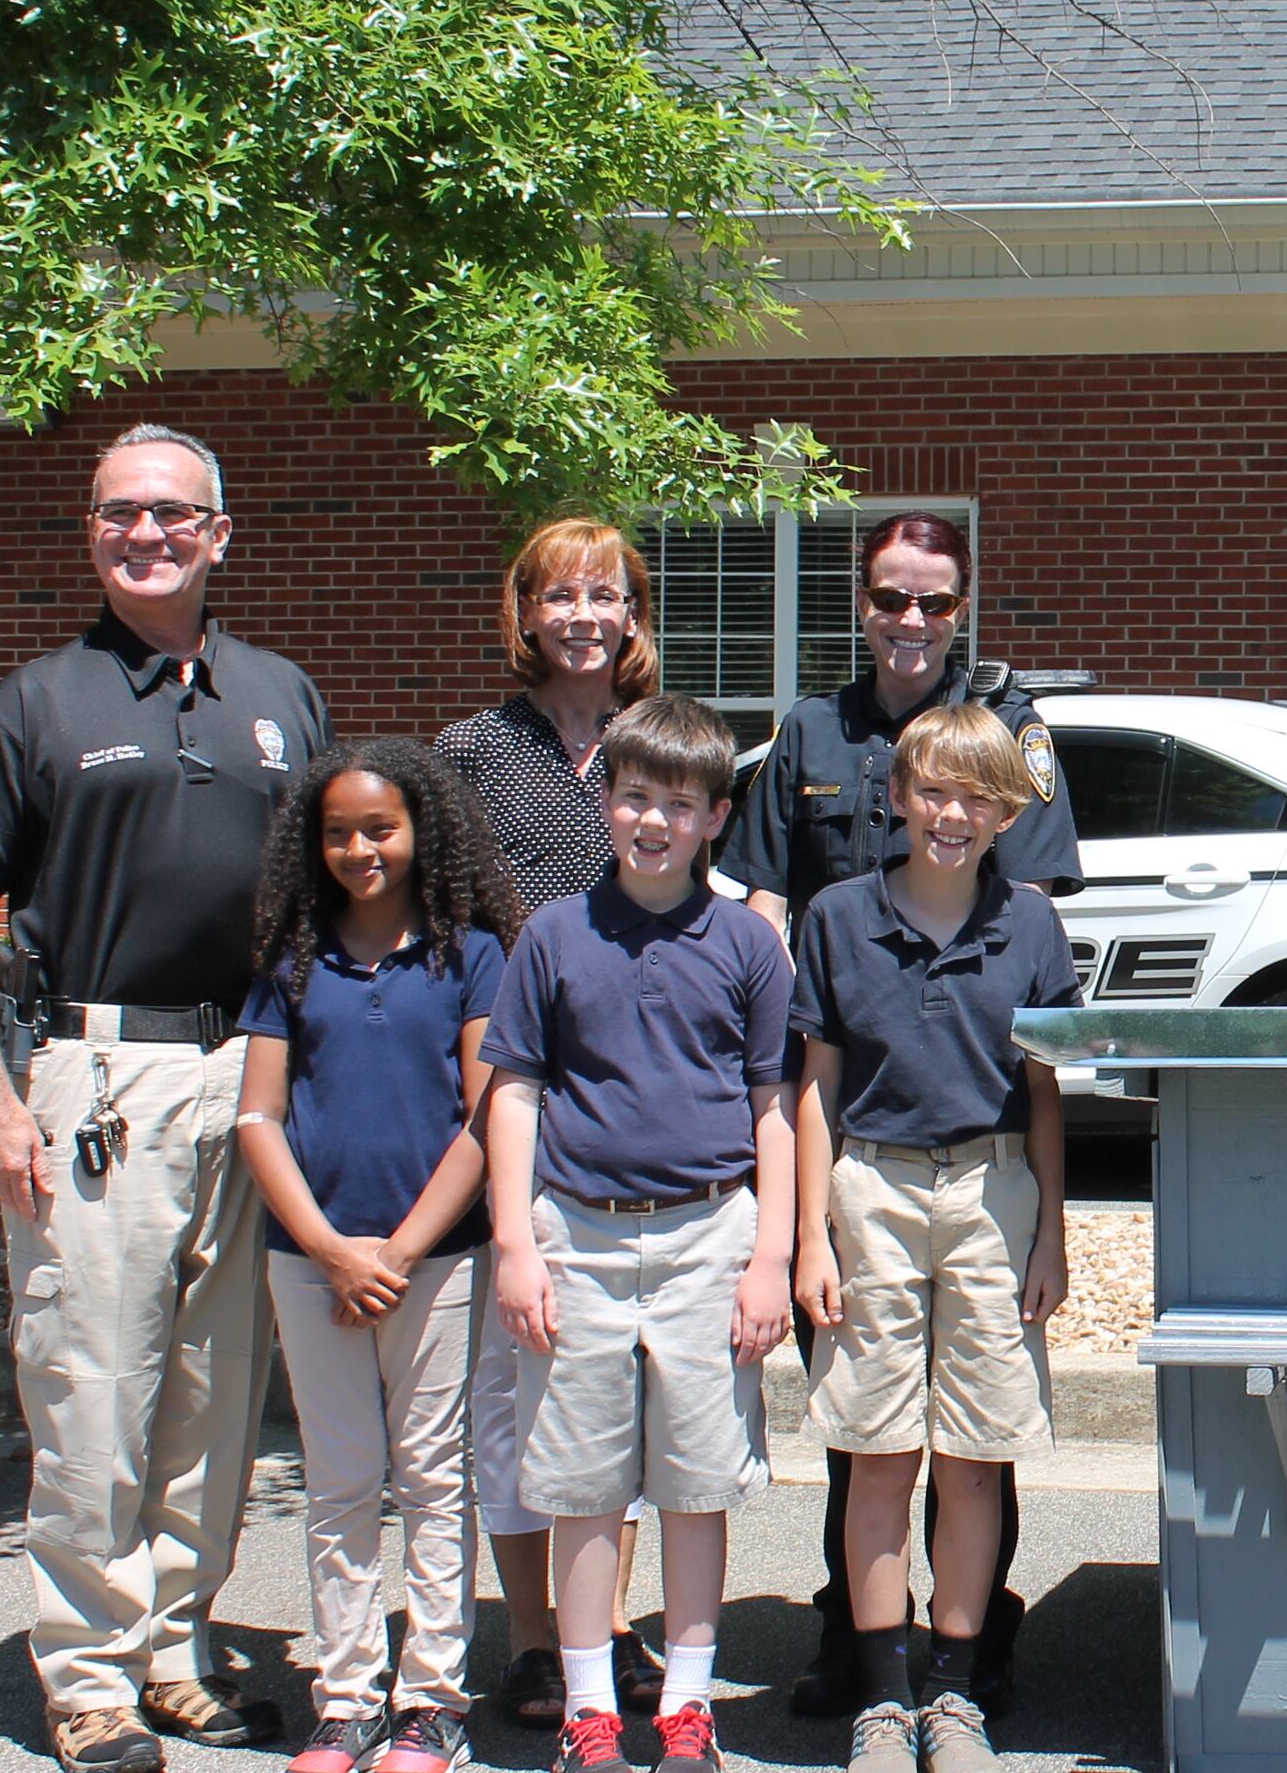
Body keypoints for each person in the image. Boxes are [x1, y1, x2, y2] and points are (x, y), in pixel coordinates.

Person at [0, 424, 331, 1773]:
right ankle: (86, 1672)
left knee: (217, 1394)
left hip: (248, 1075)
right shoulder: (34, 706)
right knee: (94, 1384)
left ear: (221, 533)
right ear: (93, 531)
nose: (144, 535)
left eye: (172, 515)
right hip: (95, 1080)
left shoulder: (282, 694)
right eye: (118, 514)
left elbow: (328, 896)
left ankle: (174, 1649)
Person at [723, 511, 1082, 1714]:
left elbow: (1029, 893)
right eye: (892, 597)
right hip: (851, 1095)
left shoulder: (1010, 729)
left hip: (970, 1112)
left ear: (963, 603)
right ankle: (856, 1646)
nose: (912, 619)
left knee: (977, 1440)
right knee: (866, 1427)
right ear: (862, 601)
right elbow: (770, 899)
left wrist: (1054, 1219)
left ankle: (973, 1655)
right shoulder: (809, 732)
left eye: (934, 600)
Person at [481, 696, 797, 1773]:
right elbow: (514, 1092)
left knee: (698, 1486)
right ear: (604, 802)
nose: (651, 821)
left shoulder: (748, 942)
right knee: (582, 1488)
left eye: (677, 804)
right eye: (632, 798)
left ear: (715, 817)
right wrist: (516, 1245)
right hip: (577, 1238)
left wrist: (773, 1259)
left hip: (712, 1237)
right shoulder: (556, 936)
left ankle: (689, 1710)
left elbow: (771, 1106)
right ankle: (589, 1713)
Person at [787, 704, 1084, 1773]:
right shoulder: (836, 916)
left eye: (976, 798)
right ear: (900, 797)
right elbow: (812, 1086)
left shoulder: (1033, 927)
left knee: (970, 1459)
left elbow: (1046, 1094)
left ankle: (954, 1697)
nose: (952, 815)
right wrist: (812, 1237)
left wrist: (1052, 1234)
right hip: (870, 1186)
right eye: (934, 793)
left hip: (993, 1191)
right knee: (877, 1452)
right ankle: (883, 1696)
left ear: (1006, 814)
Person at [235, 741, 517, 1773]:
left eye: (380, 828)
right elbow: (258, 1118)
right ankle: (346, 1697)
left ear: (420, 832)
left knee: (437, 1479)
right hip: (310, 1262)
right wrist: (330, 1249)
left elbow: (489, 1118)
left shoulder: (471, 952)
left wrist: (397, 1249)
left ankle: (430, 1699)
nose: (360, 848)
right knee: (343, 1481)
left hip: (435, 1262)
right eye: (340, 831)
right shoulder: (290, 959)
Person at [434, 517, 665, 1730]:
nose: (583, 614)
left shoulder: (656, 746)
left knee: (613, 1378)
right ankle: (530, 1636)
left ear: (634, 616)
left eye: (606, 595)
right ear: (523, 614)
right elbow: (442, 931)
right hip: (511, 1091)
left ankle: (606, 1624)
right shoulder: (470, 753)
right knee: (515, 1380)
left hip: (636, 1100)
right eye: (559, 595)